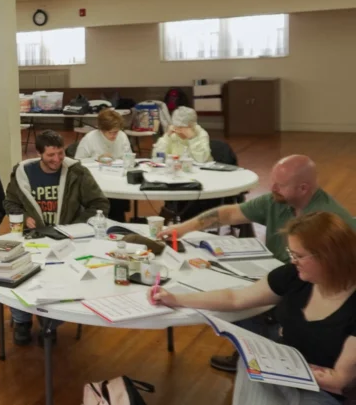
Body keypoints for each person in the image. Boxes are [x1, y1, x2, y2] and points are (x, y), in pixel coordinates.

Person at [158, 154, 354, 371]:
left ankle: (262, 351)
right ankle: (255, 356)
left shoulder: (331, 222)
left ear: (303, 188)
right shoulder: (278, 200)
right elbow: (229, 214)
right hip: (284, 279)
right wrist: (182, 228)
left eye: (280, 185)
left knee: (240, 302)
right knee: (233, 296)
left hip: (304, 291)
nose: (272, 188)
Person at [153, 212, 356, 405]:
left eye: (298, 255)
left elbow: (339, 381)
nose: (293, 261)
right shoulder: (294, 276)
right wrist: (176, 299)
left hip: (324, 393)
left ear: (326, 257)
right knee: (250, 365)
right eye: (290, 253)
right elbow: (236, 298)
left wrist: (279, 367)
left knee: (255, 371)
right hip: (286, 373)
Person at [3, 129, 110, 345]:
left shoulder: (76, 173)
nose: (57, 160)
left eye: (60, 153)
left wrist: (75, 226)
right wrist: (23, 217)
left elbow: (100, 204)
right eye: (51, 155)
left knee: (60, 280)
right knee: (16, 273)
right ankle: (21, 320)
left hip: (67, 239)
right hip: (32, 237)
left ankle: (49, 324)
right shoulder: (23, 172)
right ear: (39, 153)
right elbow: (10, 202)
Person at [74, 108, 133, 221]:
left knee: (118, 206)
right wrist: (97, 159)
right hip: (96, 182)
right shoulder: (90, 138)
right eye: (111, 132)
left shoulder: (122, 136)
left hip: (117, 179)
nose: (114, 135)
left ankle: (118, 221)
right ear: (101, 130)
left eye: (117, 131)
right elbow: (77, 162)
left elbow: (128, 157)